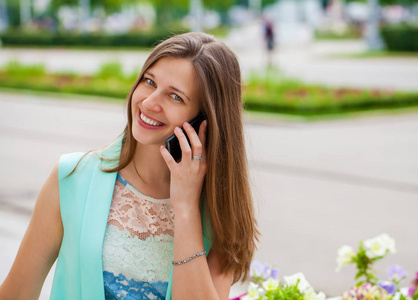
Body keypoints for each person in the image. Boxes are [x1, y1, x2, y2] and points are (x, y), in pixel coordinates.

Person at [0, 32, 259, 300]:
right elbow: (16, 293)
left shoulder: (220, 210)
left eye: (175, 97)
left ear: (204, 121)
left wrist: (185, 209)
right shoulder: (71, 177)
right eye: (149, 82)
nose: (148, 102)